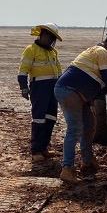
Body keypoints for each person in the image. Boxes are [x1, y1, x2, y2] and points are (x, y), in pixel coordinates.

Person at [54, 30, 107, 183]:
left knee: (90, 124)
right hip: (70, 91)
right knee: (75, 129)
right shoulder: (103, 53)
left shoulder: (96, 54)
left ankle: (88, 161)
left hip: (74, 92)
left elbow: (105, 87)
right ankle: (67, 168)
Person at [18, 23, 62, 161]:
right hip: (39, 88)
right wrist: (24, 88)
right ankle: (36, 150)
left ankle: (44, 147)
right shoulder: (31, 50)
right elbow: (23, 71)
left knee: (51, 118)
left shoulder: (53, 52)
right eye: (48, 36)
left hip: (53, 88)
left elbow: (59, 72)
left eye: (52, 38)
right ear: (42, 34)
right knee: (39, 119)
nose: (50, 40)